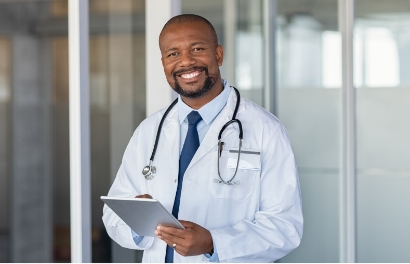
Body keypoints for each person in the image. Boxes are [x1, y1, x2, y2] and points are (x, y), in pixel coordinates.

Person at [103, 14, 303, 263]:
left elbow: (285, 227)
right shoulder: (148, 131)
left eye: (197, 49)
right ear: (163, 62)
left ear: (218, 55)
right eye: (172, 54)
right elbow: (113, 214)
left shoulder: (265, 130)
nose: (185, 61)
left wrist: (213, 243)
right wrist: (137, 220)